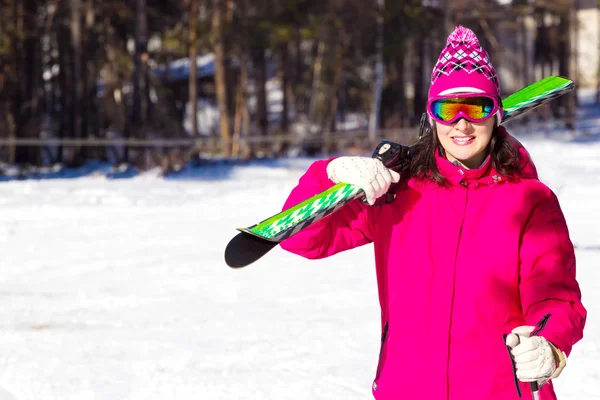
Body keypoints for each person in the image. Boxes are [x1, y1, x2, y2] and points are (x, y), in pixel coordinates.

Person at [279, 26, 586, 400]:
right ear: (432, 116)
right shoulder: (397, 192)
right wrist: (329, 175)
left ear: (496, 113)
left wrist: (548, 345)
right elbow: (301, 239)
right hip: (407, 389)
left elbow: (557, 299)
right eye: (447, 108)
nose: (461, 122)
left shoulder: (529, 201)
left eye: (476, 107)